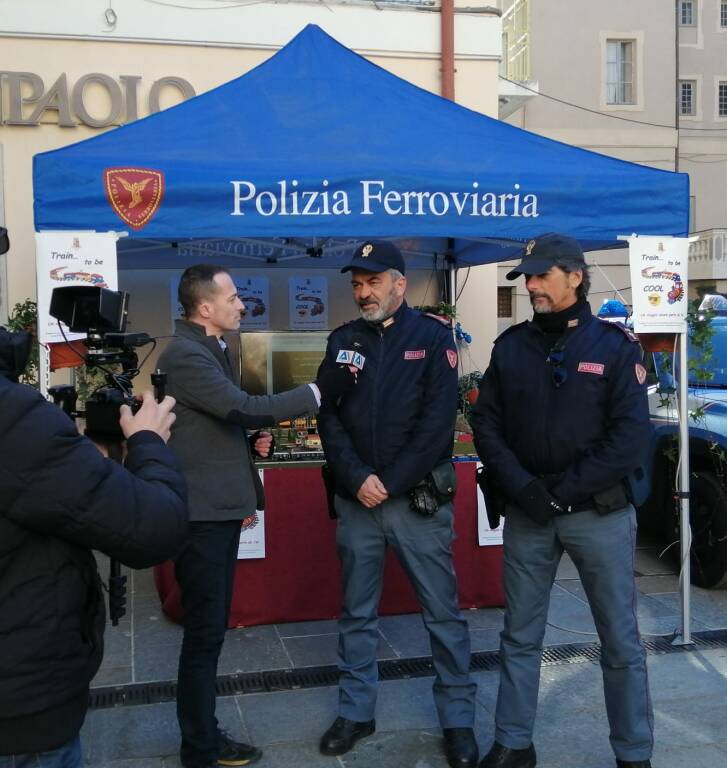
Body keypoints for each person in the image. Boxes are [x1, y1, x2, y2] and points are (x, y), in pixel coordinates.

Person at [157, 264, 355, 768]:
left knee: (210, 630)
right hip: (201, 517)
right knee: (204, 634)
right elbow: (242, 406)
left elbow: (216, 421)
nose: (242, 304)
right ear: (206, 308)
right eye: (232, 297)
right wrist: (318, 391)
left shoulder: (212, 347)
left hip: (218, 509)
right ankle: (199, 747)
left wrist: (246, 441)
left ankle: (202, 736)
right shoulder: (185, 354)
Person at [470, 233, 653, 768]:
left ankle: (633, 752)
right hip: (530, 513)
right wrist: (527, 490)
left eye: (541, 275)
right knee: (519, 636)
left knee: (619, 641)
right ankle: (513, 742)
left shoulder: (615, 348)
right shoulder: (510, 347)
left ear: (575, 276)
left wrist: (563, 492)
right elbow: (488, 425)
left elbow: (628, 438)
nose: (530, 285)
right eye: (526, 277)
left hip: (597, 513)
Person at [316, 241, 478, 768]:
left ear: (399, 285)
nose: (364, 293)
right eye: (357, 284)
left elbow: (437, 424)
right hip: (358, 499)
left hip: (416, 502)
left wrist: (389, 480)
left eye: (373, 282)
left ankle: (457, 719)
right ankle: (356, 711)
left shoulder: (432, 339)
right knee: (356, 614)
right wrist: (357, 476)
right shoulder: (343, 340)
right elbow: (328, 417)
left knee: (442, 615)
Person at [0, 327, 188, 767]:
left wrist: (77, 463)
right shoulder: (11, 416)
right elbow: (154, 528)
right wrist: (148, 443)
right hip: (21, 715)